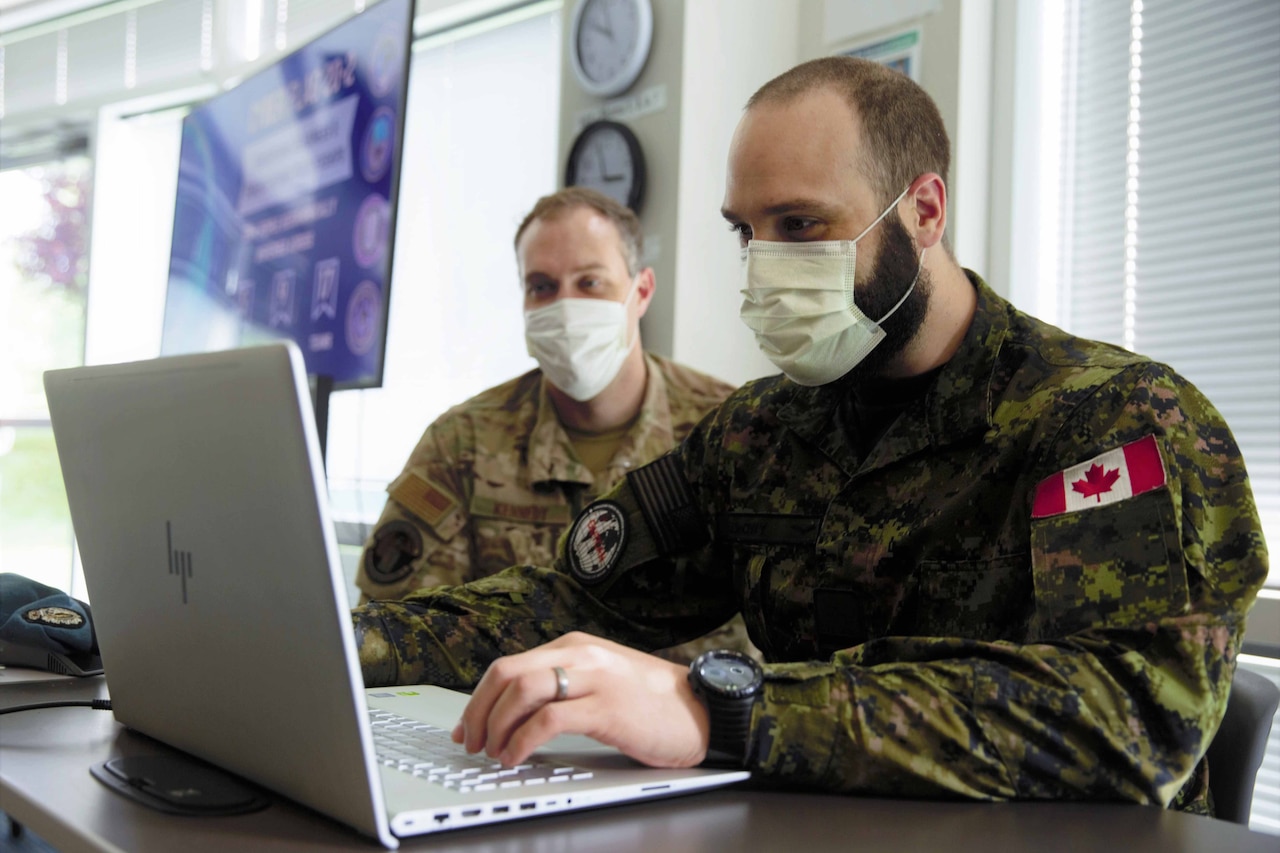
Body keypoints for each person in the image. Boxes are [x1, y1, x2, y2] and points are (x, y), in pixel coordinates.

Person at [351, 57, 1267, 813]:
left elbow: (1129, 718)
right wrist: (332, 647)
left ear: (925, 210)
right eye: (747, 232)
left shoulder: (1111, 422)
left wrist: (722, 710)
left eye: (801, 225)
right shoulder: (759, 434)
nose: (765, 266)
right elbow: (568, 603)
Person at [354, 186, 756, 663]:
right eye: (542, 286)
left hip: (690, 727)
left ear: (641, 291)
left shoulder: (732, 430)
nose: (565, 307)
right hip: (506, 727)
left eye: (590, 283)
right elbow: (390, 633)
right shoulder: (463, 441)